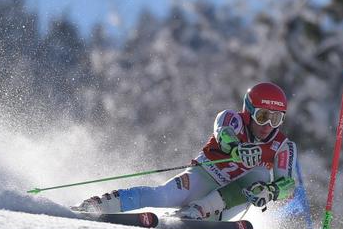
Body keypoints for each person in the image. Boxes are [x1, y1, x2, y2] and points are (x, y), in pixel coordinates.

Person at [75, 82, 298, 221]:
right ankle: (98, 205)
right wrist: (236, 149)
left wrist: (271, 192)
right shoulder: (232, 119)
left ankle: (198, 212)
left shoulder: (283, 146)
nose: (268, 125)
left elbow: (289, 186)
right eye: (262, 116)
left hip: (227, 202)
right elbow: (224, 134)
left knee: (259, 175)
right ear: (249, 112)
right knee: (160, 196)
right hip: (204, 176)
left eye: (276, 118)